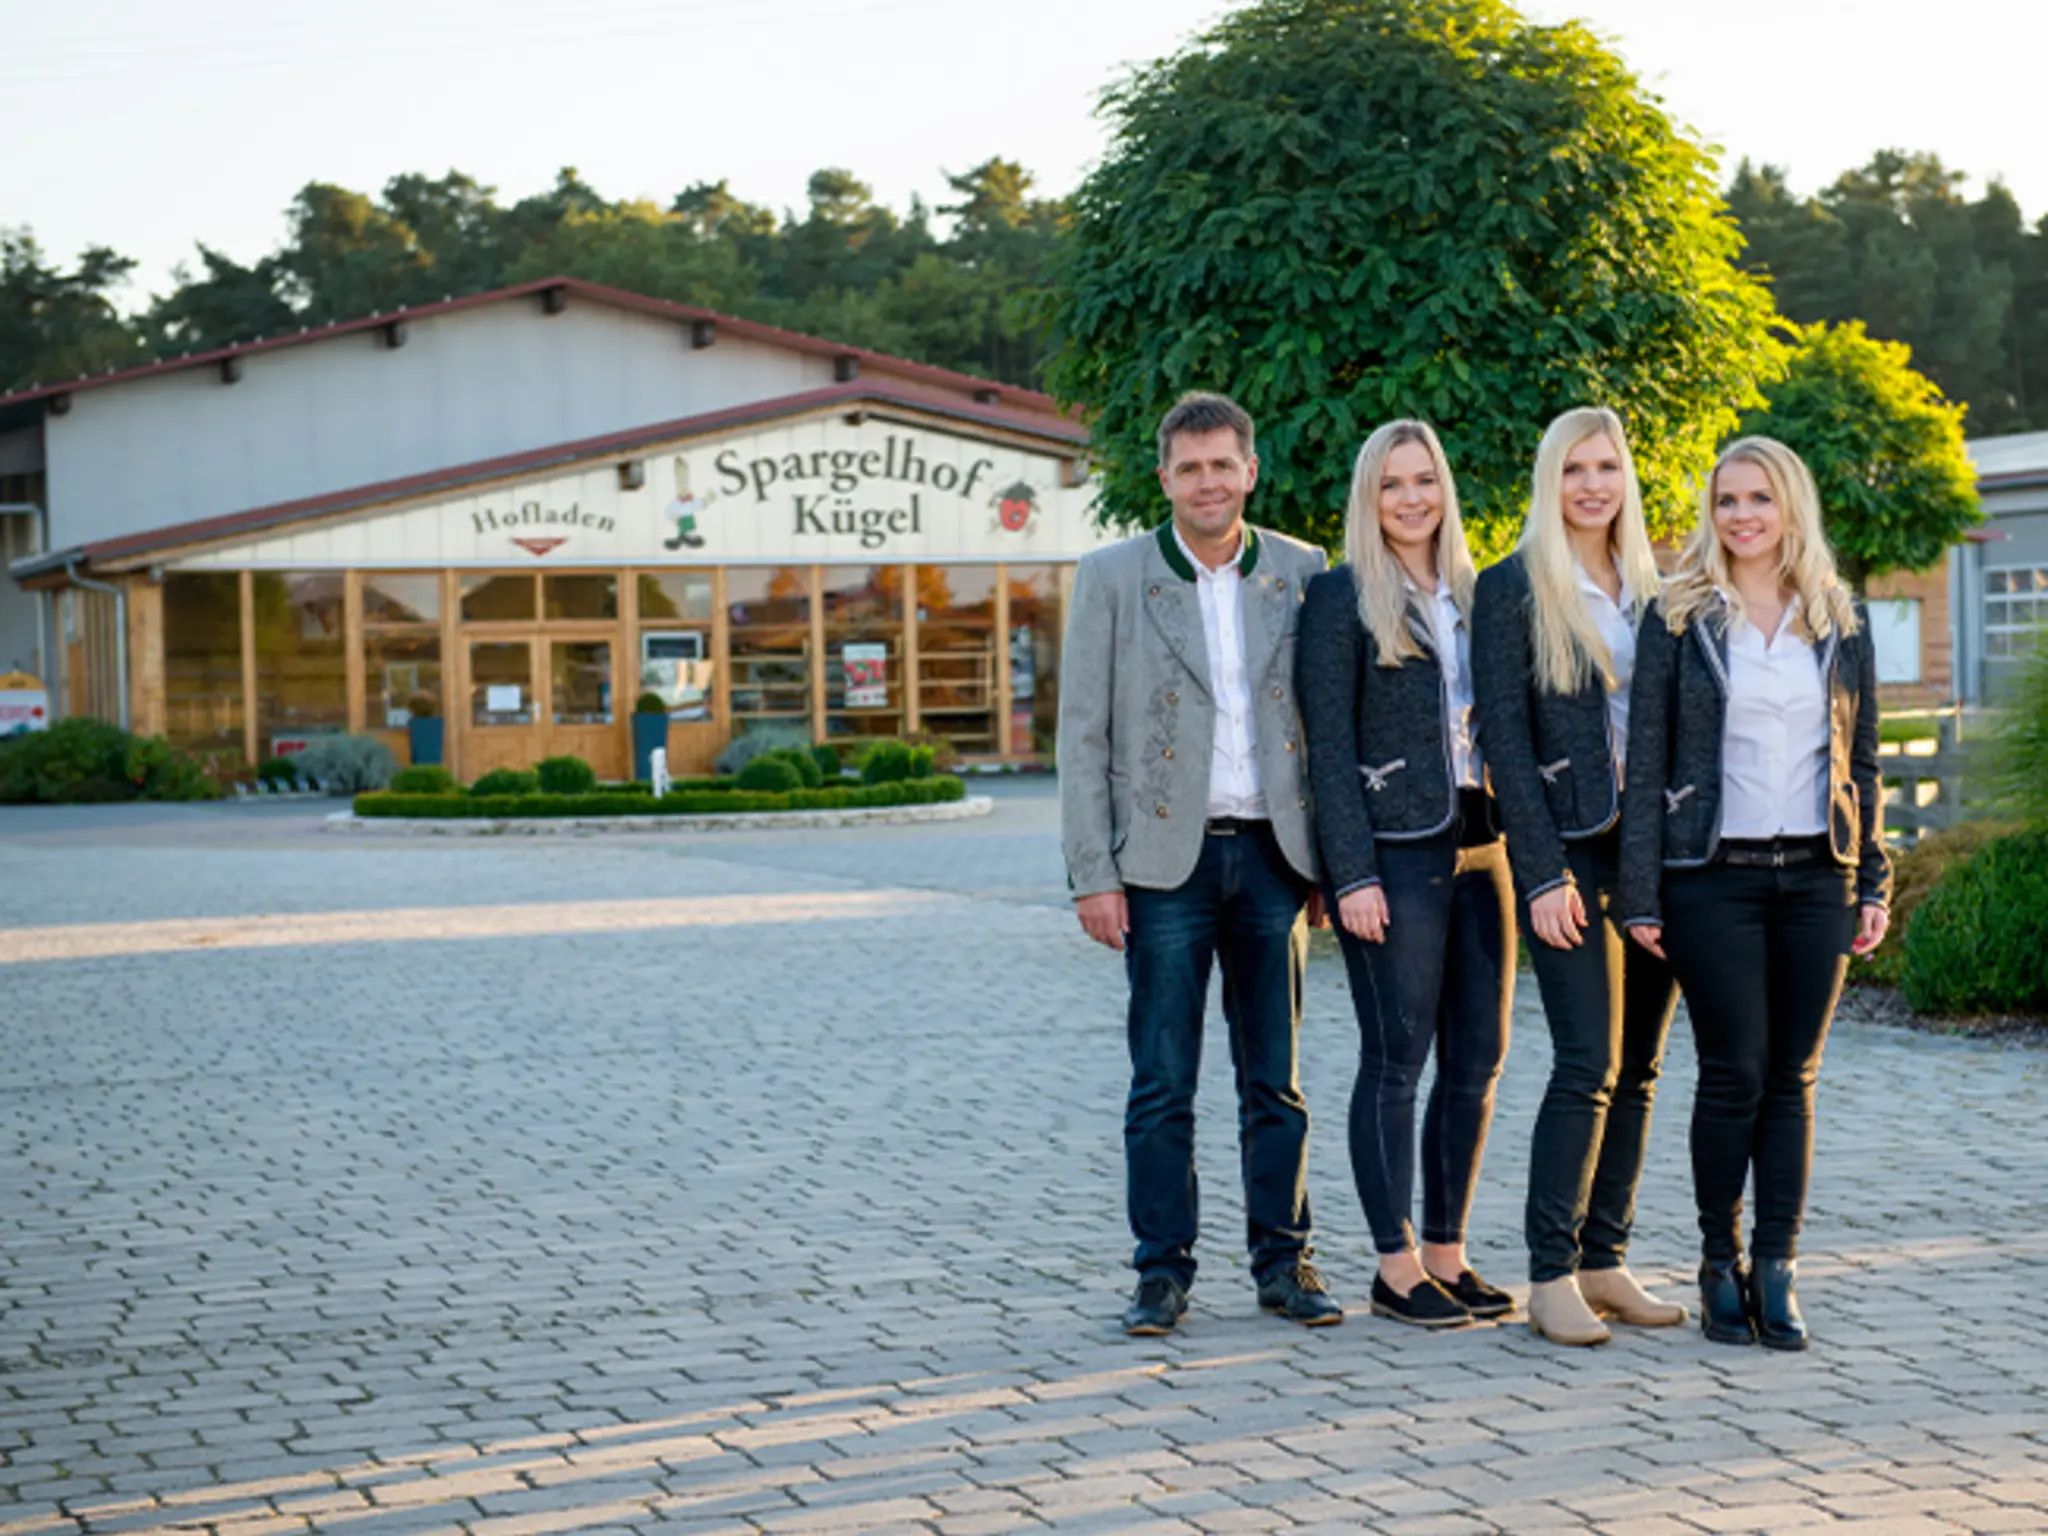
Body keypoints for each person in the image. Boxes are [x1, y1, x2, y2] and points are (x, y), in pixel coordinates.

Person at [1059, 390, 1340, 1337]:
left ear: (1250, 469)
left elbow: (1330, 727)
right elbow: (1081, 736)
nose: (1208, 481)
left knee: (1276, 1080)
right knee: (1161, 1081)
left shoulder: (1302, 572)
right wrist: (1093, 871)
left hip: (1273, 856)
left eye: (1224, 464)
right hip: (1162, 867)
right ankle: (1161, 1272)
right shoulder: (1111, 577)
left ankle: (1283, 1259)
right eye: (1190, 467)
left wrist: (1334, 867)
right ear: (1164, 476)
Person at [1619, 435, 1892, 1351]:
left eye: (1759, 500)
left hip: (1819, 876)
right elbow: (1647, 759)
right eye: (1727, 501)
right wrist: (1641, 895)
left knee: (1794, 1076)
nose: (1742, 516)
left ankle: (1777, 1267)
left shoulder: (1837, 617)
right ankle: (1715, 1262)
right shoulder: (1680, 616)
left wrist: (1873, 878)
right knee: (1733, 1072)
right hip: (1712, 879)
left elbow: (1863, 759)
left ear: (1790, 509)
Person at [1471, 406, 1686, 1347]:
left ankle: (1605, 1259)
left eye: (1607, 467)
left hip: (1657, 853)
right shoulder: (1510, 588)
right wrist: (1541, 871)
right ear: (1548, 482)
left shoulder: (1658, 586)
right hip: (1568, 855)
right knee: (1586, 1062)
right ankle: (1549, 1273)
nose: (1592, 485)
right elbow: (1503, 743)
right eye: (1574, 469)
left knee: (1640, 1066)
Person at [1295, 420, 1516, 1330]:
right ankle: (1392, 1267)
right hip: (1392, 853)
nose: (1412, 498)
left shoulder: (1480, 593)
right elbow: (1329, 749)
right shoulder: (1339, 599)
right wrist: (1350, 874)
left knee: (1480, 1057)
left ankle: (1446, 1253)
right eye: (1392, 485)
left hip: (1485, 845)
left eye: (1425, 480)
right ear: (1368, 497)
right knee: (1398, 1060)